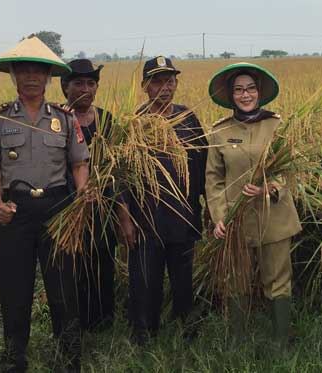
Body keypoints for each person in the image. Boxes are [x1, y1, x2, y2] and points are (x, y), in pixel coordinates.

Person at [0, 36, 90, 373]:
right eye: (23, 71)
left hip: (57, 208)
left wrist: (82, 196)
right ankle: (15, 358)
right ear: (13, 76)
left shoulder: (64, 118)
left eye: (38, 72)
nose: (31, 77)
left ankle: (70, 357)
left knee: (63, 286)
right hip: (15, 211)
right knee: (15, 288)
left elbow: (79, 163)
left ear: (48, 77)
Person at [205, 62, 302, 346]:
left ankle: (281, 342)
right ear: (231, 95)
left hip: (275, 217)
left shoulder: (277, 125)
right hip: (236, 220)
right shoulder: (219, 131)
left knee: (278, 280)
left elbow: (289, 170)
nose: (245, 95)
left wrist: (269, 188)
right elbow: (214, 180)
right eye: (238, 90)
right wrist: (219, 217)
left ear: (259, 92)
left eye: (250, 89)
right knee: (236, 280)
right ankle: (238, 340)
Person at [118, 56, 207, 344]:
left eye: (169, 80)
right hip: (146, 219)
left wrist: (206, 207)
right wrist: (125, 218)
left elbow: (205, 163)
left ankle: (186, 329)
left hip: (182, 215)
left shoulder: (188, 118)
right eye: (157, 81)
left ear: (177, 83)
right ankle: (144, 332)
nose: (165, 87)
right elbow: (119, 175)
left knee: (183, 278)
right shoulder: (134, 124)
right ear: (145, 86)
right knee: (145, 280)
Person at [61, 59, 117, 330]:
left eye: (91, 83)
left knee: (104, 260)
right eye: (78, 83)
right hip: (67, 206)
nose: (85, 88)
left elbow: (119, 167)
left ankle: (104, 321)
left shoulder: (107, 120)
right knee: (72, 265)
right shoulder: (56, 119)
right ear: (65, 86)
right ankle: (76, 322)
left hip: (104, 207)